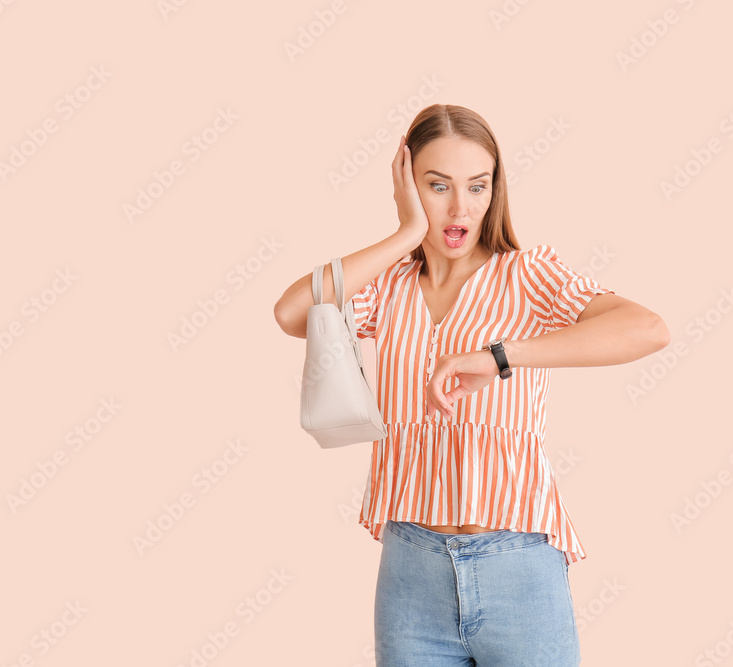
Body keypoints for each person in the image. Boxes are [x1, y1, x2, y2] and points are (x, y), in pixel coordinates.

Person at [273, 104, 669, 666]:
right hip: (411, 570)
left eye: (477, 186)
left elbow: (648, 328)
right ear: (407, 185)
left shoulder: (529, 275)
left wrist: (500, 357)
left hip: (519, 570)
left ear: (494, 190)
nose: (461, 208)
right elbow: (292, 312)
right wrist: (406, 232)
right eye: (438, 186)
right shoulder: (388, 286)